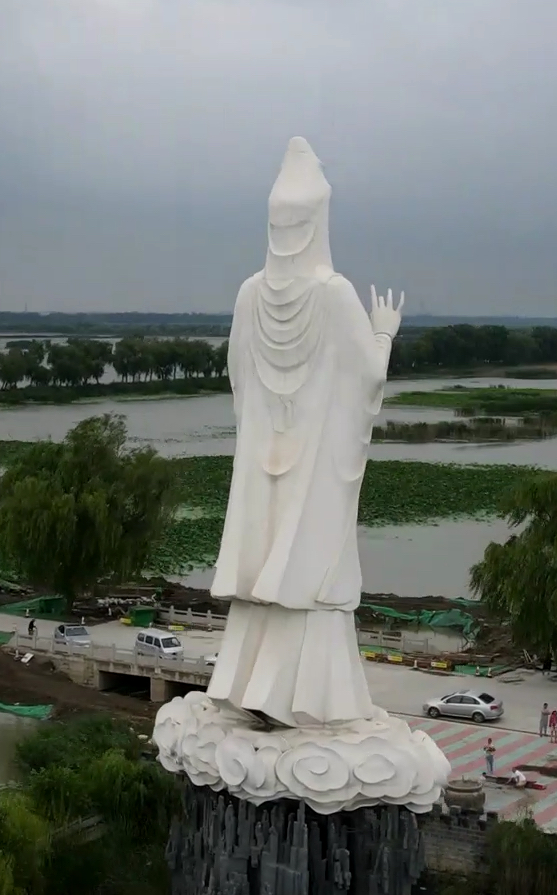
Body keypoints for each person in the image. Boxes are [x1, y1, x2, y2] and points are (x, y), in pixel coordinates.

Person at [205, 137, 403, 728]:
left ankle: (251, 689)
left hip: (265, 469)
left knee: (269, 572)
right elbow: (368, 378)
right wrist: (385, 332)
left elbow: (240, 379)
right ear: (317, 221)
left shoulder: (248, 295)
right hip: (314, 473)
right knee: (311, 574)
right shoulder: (334, 293)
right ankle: (308, 701)